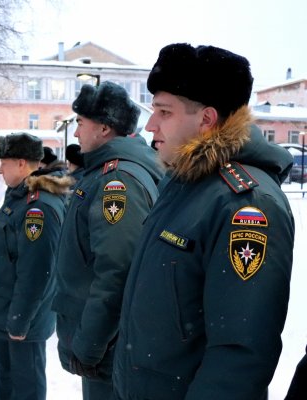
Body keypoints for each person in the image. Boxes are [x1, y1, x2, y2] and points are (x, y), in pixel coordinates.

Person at [112, 43, 295, 400]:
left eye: (164, 112)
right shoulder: (184, 185)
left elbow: (239, 354)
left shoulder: (247, 204)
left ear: (206, 119)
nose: (150, 124)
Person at [51, 81, 163, 400]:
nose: (75, 134)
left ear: (103, 128)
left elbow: (117, 272)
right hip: (104, 346)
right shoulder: (103, 173)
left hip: (106, 350)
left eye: (80, 124)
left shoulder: (116, 182)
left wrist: (88, 347)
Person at [0, 132, 72, 400]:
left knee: (25, 389)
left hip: (21, 325)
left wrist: (19, 322)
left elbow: (36, 272)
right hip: (6, 318)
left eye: (4, 163)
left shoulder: (37, 208)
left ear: (21, 164)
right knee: (4, 383)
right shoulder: (20, 198)